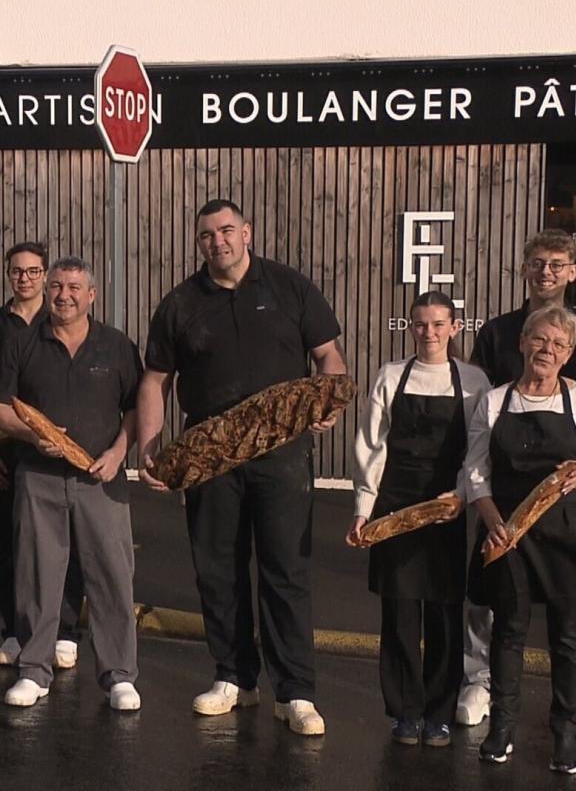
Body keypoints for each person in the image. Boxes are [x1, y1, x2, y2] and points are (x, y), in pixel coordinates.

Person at [137, 198, 346, 735]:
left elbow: (328, 356)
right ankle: (234, 677)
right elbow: (156, 379)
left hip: (280, 453)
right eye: (207, 235)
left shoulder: (289, 287)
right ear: (199, 242)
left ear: (246, 232)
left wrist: (323, 402)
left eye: (226, 231)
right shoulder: (181, 303)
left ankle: (295, 692)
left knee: (285, 570)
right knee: (218, 569)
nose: (218, 242)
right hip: (209, 457)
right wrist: (150, 443)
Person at [458, 229, 576, 738]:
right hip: (506, 491)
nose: (546, 272)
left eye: (557, 264)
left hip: (567, 498)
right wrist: (484, 498)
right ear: (524, 268)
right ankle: (479, 681)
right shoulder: (497, 331)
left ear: (573, 272)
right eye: (537, 262)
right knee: (492, 600)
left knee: (572, 607)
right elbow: (477, 396)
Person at [346, 292, 490, 747]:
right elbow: (371, 446)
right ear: (410, 328)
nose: (429, 332)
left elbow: (479, 449)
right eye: (421, 324)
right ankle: (405, 711)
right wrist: (363, 510)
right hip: (395, 503)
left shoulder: (473, 382)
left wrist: (462, 496)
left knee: (445, 612)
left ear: (455, 328)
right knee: (400, 611)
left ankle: (439, 712)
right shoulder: (391, 376)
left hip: (447, 506)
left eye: (438, 324)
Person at [0, 257, 142, 710]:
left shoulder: (117, 346)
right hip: (38, 477)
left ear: (92, 295)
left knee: (112, 578)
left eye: (74, 287)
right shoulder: (24, 343)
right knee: (36, 575)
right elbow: (3, 407)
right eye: (57, 285)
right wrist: (33, 435)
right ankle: (34, 669)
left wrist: (119, 454)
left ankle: (119, 675)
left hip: (101, 478)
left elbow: (137, 408)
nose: (64, 294)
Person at [0, 242, 84, 670]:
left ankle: (66, 628)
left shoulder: (59, 323)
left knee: (67, 542)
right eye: (18, 271)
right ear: (8, 275)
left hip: (60, 452)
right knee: (14, 545)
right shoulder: (3, 327)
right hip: (10, 451)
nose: (26, 279)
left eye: (34, 272)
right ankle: (16, 628)